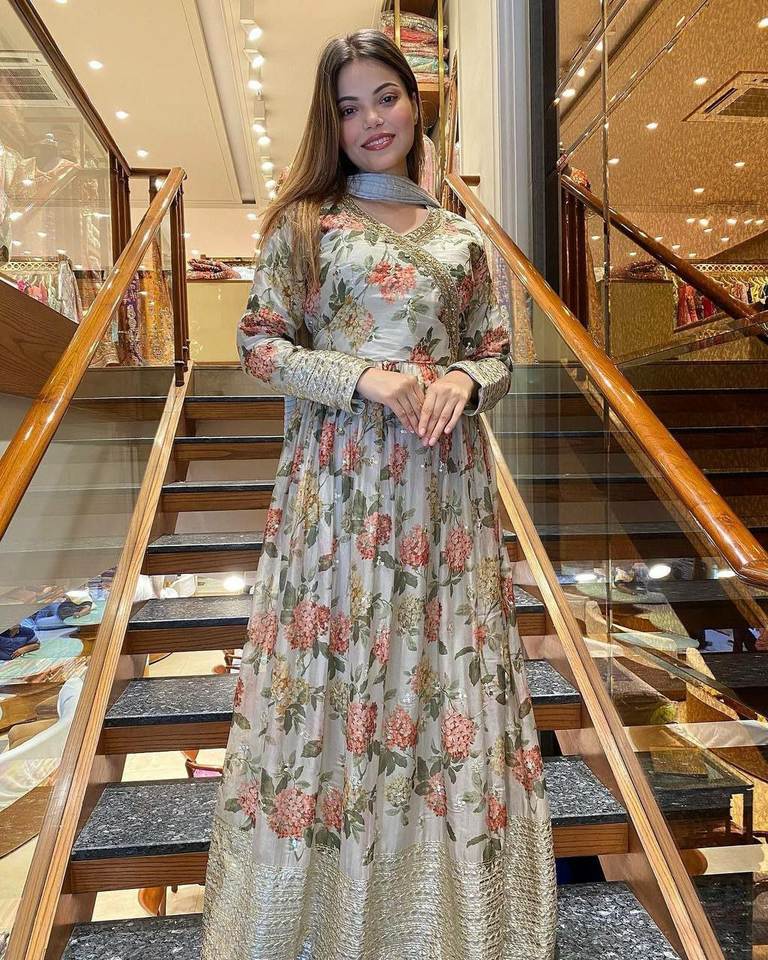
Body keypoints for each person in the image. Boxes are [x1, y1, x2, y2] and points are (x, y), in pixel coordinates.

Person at [201, 28, 556, 960]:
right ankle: (318, 912)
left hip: (444, 492)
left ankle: (447, 915)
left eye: (386, 97)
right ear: (331, 122)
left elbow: (497, 351)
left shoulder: (460, 238)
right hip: (340, 491)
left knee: (441, 669)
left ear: (414, 101)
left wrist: (464, 380)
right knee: (341, 667)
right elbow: (260, 345)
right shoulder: (305, 225)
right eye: (349, 106)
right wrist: (364, 376)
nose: (371, 121)